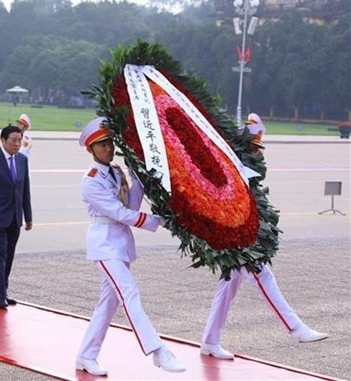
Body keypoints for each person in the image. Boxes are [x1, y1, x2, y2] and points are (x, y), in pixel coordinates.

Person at [200, 114, 328, 360]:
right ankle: (295, 328)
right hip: (234, 235)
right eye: (254, 147)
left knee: (228, 286)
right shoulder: (232, 164)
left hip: (237, 234)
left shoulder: (246, 165)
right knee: (262, 274)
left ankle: (210, 341)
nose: (258, 153)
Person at [75, 117, 185, 376]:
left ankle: (85, 356)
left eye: (110, 142)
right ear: (90, 149)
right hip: (104, 245)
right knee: (129, 293)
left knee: (107, 305)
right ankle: (158, 351)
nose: (108, 148)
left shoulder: (115, 171)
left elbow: (131, 206)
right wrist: (159, 221)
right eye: (101, 144)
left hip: (120, 244)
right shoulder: (90, 181)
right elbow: (119, 213)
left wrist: (139, 176)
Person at [0, 125, 33, 308]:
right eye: (13, 141)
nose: (17, 144)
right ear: (3, 141)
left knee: (9, 256)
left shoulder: (22, 160)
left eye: (19, 140)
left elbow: (25, 190)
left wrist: (28, 216)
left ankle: (3, 291)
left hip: (15, 218)